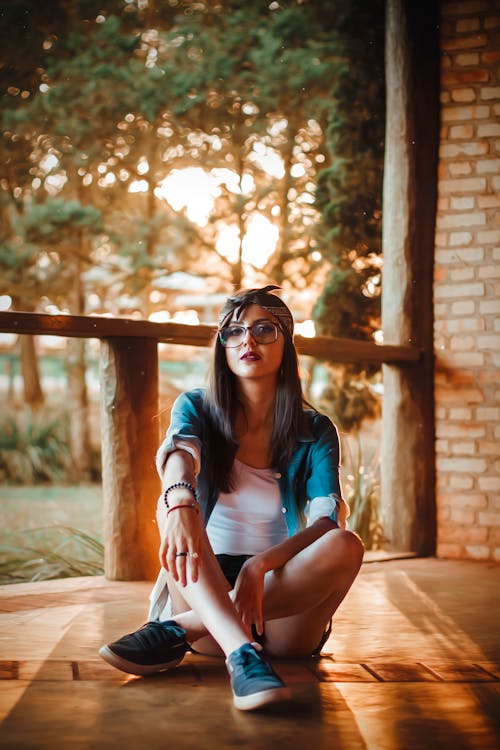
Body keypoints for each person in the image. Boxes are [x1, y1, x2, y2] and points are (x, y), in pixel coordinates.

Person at [99, 285, 364, 711]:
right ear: (223, 347)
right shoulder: (197, 407)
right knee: (171, 502)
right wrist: (182, 500)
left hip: (283, 601)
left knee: (346, 544)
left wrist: (261, 566)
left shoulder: (316, 429)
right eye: (234, 331)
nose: (248, 340)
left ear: (287, 345)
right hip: (208, 583)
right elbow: (179, 456)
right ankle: (242, 655)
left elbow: (326, 521)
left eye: (264, 329)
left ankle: (180, 628)